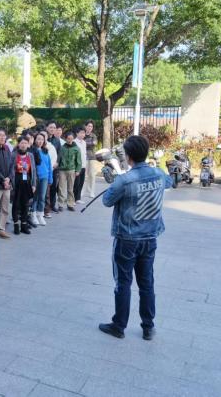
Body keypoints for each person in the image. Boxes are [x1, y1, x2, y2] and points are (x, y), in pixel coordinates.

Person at [99, 135, 172, 341]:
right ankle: (148, 326)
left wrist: (114, 180)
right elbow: (169, 182)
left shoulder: (125, 180)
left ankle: (119, 325)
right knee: (146, 283)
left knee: (123, 282)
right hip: (150, 237)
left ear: (128, 156)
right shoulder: (158, 173)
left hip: (127, 238)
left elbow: (107, 200)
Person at [10, 136, 37, 235]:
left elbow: (33, 170)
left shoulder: (30, 155)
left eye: (25, 143)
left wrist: (33, 184)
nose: (23, 145)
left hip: (27, 182)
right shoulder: (13, 155)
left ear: (28, 144)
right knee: (16, 204)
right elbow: (10, 169)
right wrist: (11, 183)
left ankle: (24, 225)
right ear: (18, 144)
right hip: (17, 182)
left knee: (25, 204)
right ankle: (16, 225)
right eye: (22, 143)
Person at [31, 133, 52, 226]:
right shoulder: (32, 151)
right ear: (35, 140)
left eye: (42, 139)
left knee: (42, 197)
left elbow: (49, 165)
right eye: (38, 139)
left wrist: (50, 178)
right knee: (35, 197)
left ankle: (40, 215)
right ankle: (33, 215)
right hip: (36, 177)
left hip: (45, 177)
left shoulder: (45, 151)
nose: (40, 141)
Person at [57, 131, 82, 212]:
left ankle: (70, 204)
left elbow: (79, 160)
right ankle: (60, 204)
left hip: (71, 170)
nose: (70, 140)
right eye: (68, 138)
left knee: (70, 188)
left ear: (73, 138)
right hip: (62, 170)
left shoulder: (76, 148)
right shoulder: (62, 148)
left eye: (71, 138)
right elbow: (58, 158)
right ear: (65, 139)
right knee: (61, 188)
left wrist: (78, 170)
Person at [45, 121, 62, 215]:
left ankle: (52, 205)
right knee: (45, 187)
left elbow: (59, 153)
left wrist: (57, 163)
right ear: (47, 128)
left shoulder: (57, 140)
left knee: (53, 187)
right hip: (44, 167)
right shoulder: (43, 138)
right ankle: (45, 206)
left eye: (54, 128)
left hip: (54, 168)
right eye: (51, 127)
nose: (52, 129)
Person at [83, 120, 98, 198]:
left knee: (92, 175)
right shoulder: (82, 134)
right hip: (84, 157)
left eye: (91, 126)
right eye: (88, 126)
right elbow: (81, 144)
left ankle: (91, 191)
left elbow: (94, 144)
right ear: (85, 126)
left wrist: (85, 143)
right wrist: (90, 143)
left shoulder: (93, 136)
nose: (90, 128)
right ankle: (83, 190)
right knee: (84, 175)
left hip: (92, 157)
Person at [73, 127, 87, 204]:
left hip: (83, 165)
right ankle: (73, 199)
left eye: (83, 133)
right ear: (77, 133)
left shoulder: (84, 142)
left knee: (81, 182)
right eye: (81, 133)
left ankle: (78, 198)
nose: (82, 134)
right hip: (77, 166)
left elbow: (84, 154)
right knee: (76, 183)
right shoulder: (74, 142)